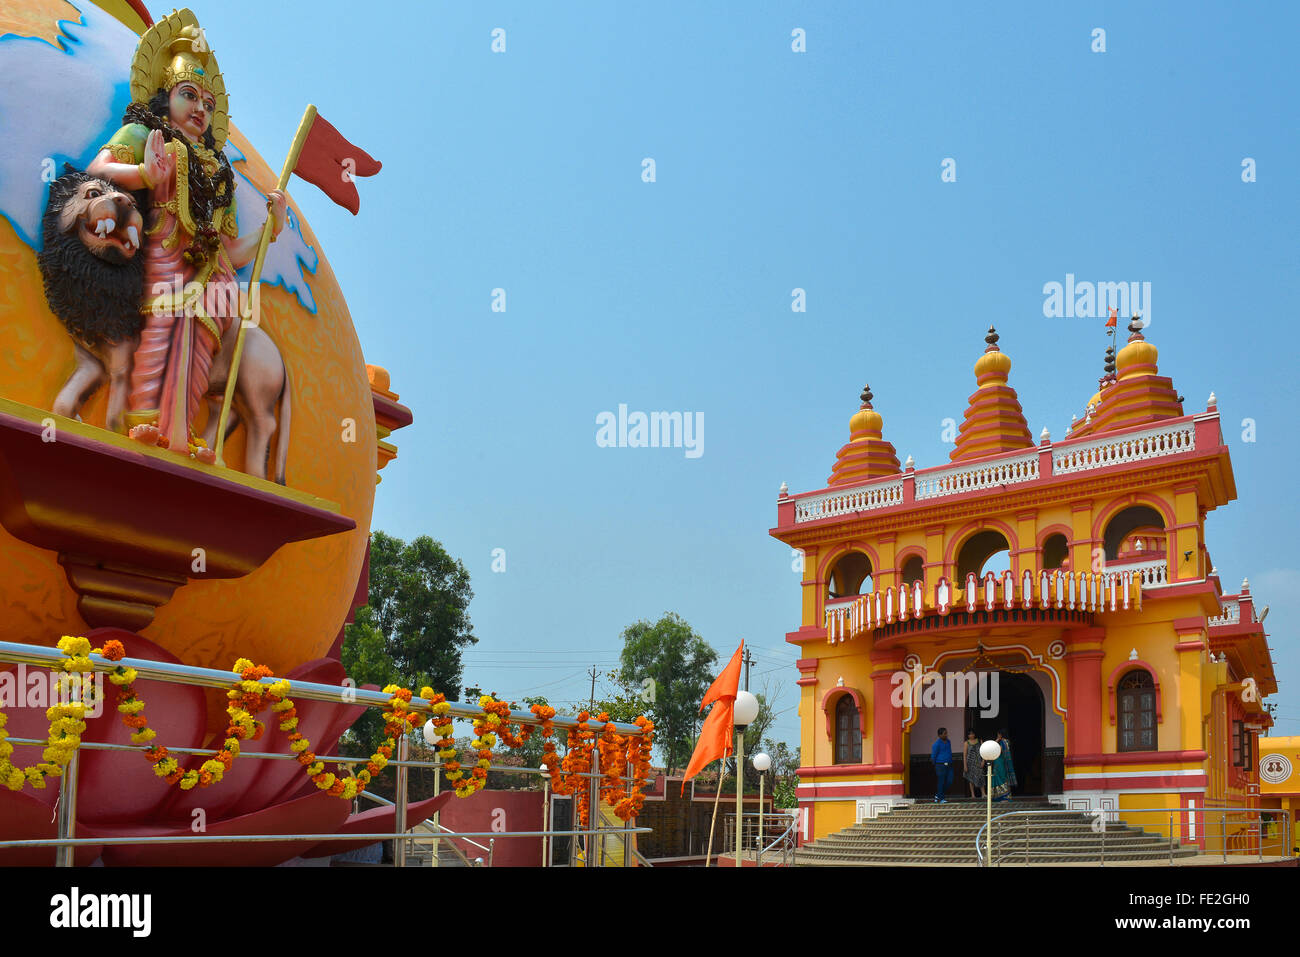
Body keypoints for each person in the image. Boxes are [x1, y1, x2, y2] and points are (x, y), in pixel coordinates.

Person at [86, 10, 286, 460]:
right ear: (164, 96)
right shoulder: (145, 133)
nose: (200, 110)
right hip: (164, 256)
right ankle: (145, 426)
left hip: (213, 275)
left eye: (208, 105)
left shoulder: (220, 173)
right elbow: (99, 169)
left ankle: (183, 431)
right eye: (189, 95)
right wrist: (142, 173)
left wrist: (269, 230)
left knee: (198, 353)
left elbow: (232, 250)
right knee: (160, 332)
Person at [990, 729, 1016, 802]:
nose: (997, 736)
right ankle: (1005, 796)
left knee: (1000, 778)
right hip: (1004, 762)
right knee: (1003, 778)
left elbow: (995, 749)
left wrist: (996, 741)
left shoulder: (1002, 742)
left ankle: (1002, 797)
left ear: (1001, 734)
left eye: (998, 734)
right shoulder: (1007, 741)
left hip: (1000, 762)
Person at [931, 727, 952, 804]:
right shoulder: (936, 744)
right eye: (944, 733)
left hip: (949, 764)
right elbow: (933, 756)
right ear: (939, 735)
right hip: (940, 765)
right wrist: (936, 765)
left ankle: (938, 795)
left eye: (946, 733)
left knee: (950, 781)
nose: (946, 735)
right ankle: (941, 799)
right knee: (941, 781)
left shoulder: (949, 741)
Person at [963, 729, 984, 798]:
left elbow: (984, 751)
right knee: (971, 778)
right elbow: (965, 755)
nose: (971, 735)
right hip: (970, 763)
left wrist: (983, 761)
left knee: (980, 777)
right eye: (969, 734)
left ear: (975, 734)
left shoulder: (979, 741)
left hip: (978, 761)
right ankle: (972, 795)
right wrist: (965, 765)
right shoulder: (966, 743)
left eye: (972, 734)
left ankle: (983, 794)